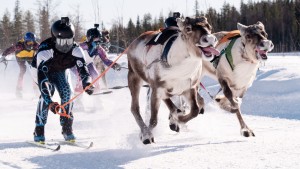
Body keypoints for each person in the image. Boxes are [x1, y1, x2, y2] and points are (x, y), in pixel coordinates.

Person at [31, 17, 94, 143]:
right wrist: (50, 102)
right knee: (47, 92)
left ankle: (67, 126)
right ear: (54, 40)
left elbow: (83, 70)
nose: (66, 46)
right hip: (41, 71)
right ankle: (39, 127)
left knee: (67, 93)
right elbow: (42, 80)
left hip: (60, 70)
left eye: (69, 41)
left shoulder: (76, 50)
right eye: (61, 42)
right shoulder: (45, 51)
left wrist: (87, 83)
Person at [72, 24, 121, 94]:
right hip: (77, 65)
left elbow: (105, 59)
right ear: (89, 38)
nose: (97, 42)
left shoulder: (99, 49)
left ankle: (96, 90)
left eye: (99, 39)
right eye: (96, 39)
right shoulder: (82, 46)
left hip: (89, 64)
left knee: (95, 74)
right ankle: (78, 91)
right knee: (81, 76)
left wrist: (114, 65)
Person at [0, 32, 39, 98]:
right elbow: (10, 49)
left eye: (32, 42)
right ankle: (18, 90)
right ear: (25, 41)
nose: (31, 44)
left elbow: (43, 48)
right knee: (23, 70)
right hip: (20, 57)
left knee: (34, 71)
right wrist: (4, 55)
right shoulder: (20, 46)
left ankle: (35, 89)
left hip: (30, 57)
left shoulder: (35, 45)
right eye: (29, 42)